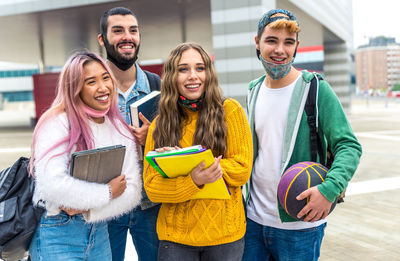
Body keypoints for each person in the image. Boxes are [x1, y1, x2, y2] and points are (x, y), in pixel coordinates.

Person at [242, 9, 362, 261]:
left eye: (288, 43)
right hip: (252, 220)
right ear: (257, 42)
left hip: (299, 224)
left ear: (297, 46)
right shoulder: (253, 90)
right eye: (272, 40)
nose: (280, 50)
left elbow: (349, 146)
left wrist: (329, 190)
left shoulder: (316, 89)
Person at [143, 42, 253, 261]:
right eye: (183, 69)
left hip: (225, 236)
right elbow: (153, 189)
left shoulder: (230, 111)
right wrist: (193, 180)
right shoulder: (159, 124)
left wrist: (187, 164)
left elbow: (242, 169)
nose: (193, 76)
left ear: (208, 73)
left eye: (200, 68)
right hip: (175, 239)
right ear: (173, 76)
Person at [28, 51, 142, 260]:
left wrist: (88, 208)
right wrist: (108, 193)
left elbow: (133, 190)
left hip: (99, 230)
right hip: (57, 231)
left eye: (105, 78)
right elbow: (52, 185)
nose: (103, 87)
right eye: (91, 82)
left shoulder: (119, 128)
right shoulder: (57, 122)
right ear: (75, 88)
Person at [97, 7, 161, 261]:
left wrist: (152, 137)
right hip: (106, 206)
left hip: (150, 205)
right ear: (102, 39)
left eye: (133, 30)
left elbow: (179, 144)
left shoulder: (159, 87)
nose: (127, 36)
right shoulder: (90, 89)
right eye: (118, 30)